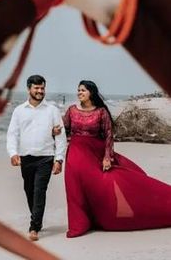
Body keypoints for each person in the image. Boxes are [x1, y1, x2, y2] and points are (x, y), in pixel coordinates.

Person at [61, 80, 171, 238]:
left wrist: (107, 157)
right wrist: (55, 131)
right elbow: (64, 129)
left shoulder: (101, 112)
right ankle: (79, 224)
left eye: (83, 90)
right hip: (75, 153)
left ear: (91, 93)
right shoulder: (71, 110)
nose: (79, 93)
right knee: (75, 188)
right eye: (78, 90)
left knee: (104, 185)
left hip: (95, 154)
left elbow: (108, 136)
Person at [6, 74, 67, 241]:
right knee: (29, 190)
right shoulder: (19, 111)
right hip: (26, 158)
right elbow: (12, 134)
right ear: (29, 89)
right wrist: (13, 153)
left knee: (40, 191)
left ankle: (34, 227)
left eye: (42, 88)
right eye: (37, 88)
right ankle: (37, 220)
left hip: (45, 158)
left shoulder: (52, 111)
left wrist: (59, 159)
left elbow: (61, 137)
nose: (40, 91)